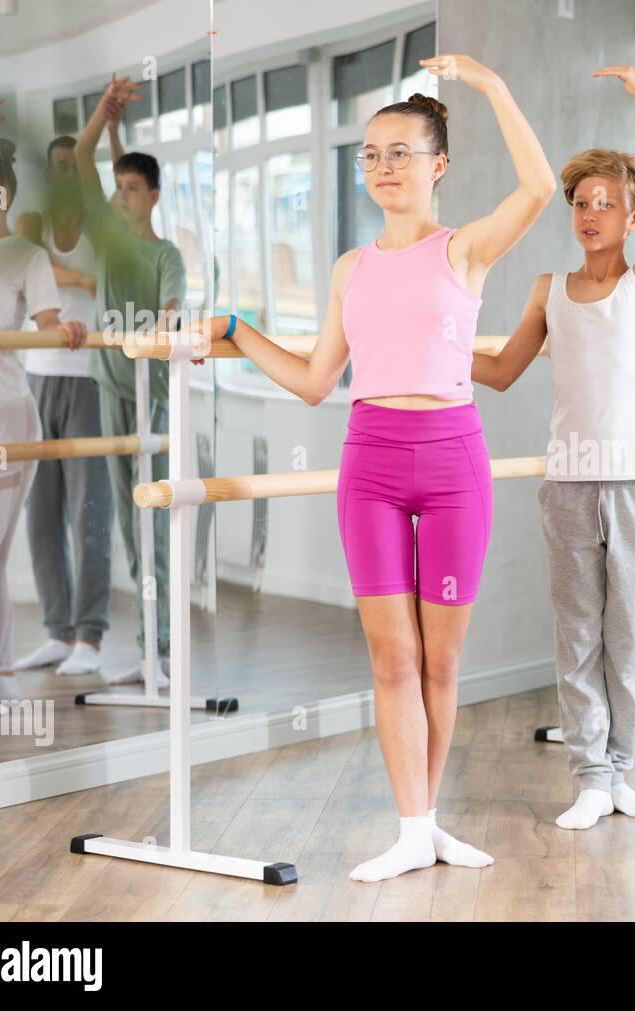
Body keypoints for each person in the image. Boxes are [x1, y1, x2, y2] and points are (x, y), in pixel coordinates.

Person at [189, 54, 556, 879]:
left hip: (455, 459)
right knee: (392, 658)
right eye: (372, 154)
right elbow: (318, 381)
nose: (384, 168)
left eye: (402, 153)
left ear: (439, 166)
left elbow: (536, 188)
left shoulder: (465, 250)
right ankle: (411, 824)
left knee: (442, 659)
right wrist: (240, 330)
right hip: (373, 465)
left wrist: (493, 86)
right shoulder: (350, 269)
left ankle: (426, 825)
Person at [471, 65, 635, 829]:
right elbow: (497, 373)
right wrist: (429, 346)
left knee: (629, 637)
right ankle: (592, 774)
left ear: (634, 218)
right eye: (581, 203)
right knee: (578, 631)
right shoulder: (547, 290)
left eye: (607, 203)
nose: (590, 213)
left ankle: (620, 767)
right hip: (568, 486)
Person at [0, 101, 86, 715]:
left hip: (9, 416)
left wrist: (69, 332)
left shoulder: (28, 259)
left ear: (1, 197)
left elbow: (50, 323)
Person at [73, 75, 185, 687]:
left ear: (154, 197)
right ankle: (147, 651)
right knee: (126, 523)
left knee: (153, 529)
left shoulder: (166, 254)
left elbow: (172, 306)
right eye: (118, 189)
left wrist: (161, 328)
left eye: (132, 190)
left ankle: (161, 650)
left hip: (155, 402)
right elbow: (86, 172)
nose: (119, 197)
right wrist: (105, 115)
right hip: (111, 393)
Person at [13, 137, 115, 676]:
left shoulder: (102, 228)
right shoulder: (32, 222)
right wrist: (74, 279)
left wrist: (60, 274)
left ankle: (89, 635)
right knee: (40, 512)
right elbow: (32, 266)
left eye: (69, 167)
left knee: (88, 509)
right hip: (39, 377)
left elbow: (98, 280)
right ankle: (57, 630)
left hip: (88, 381)